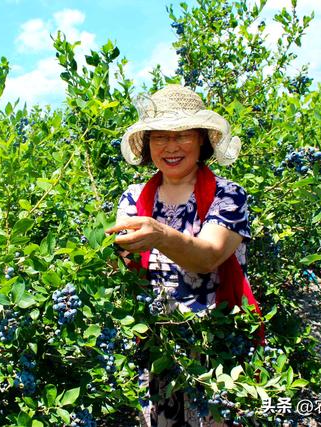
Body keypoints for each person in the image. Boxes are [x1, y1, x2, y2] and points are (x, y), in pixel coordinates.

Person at [105, 84, 262, 427]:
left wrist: (159, 234)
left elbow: (208, 256)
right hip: (157, 347)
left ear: (202, 141)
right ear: (147, 145)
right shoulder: (133, 198)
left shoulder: (228, 195)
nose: (171, 147)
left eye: (182, 136)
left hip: (215, 346)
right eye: (159, 137)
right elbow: (123, 266)